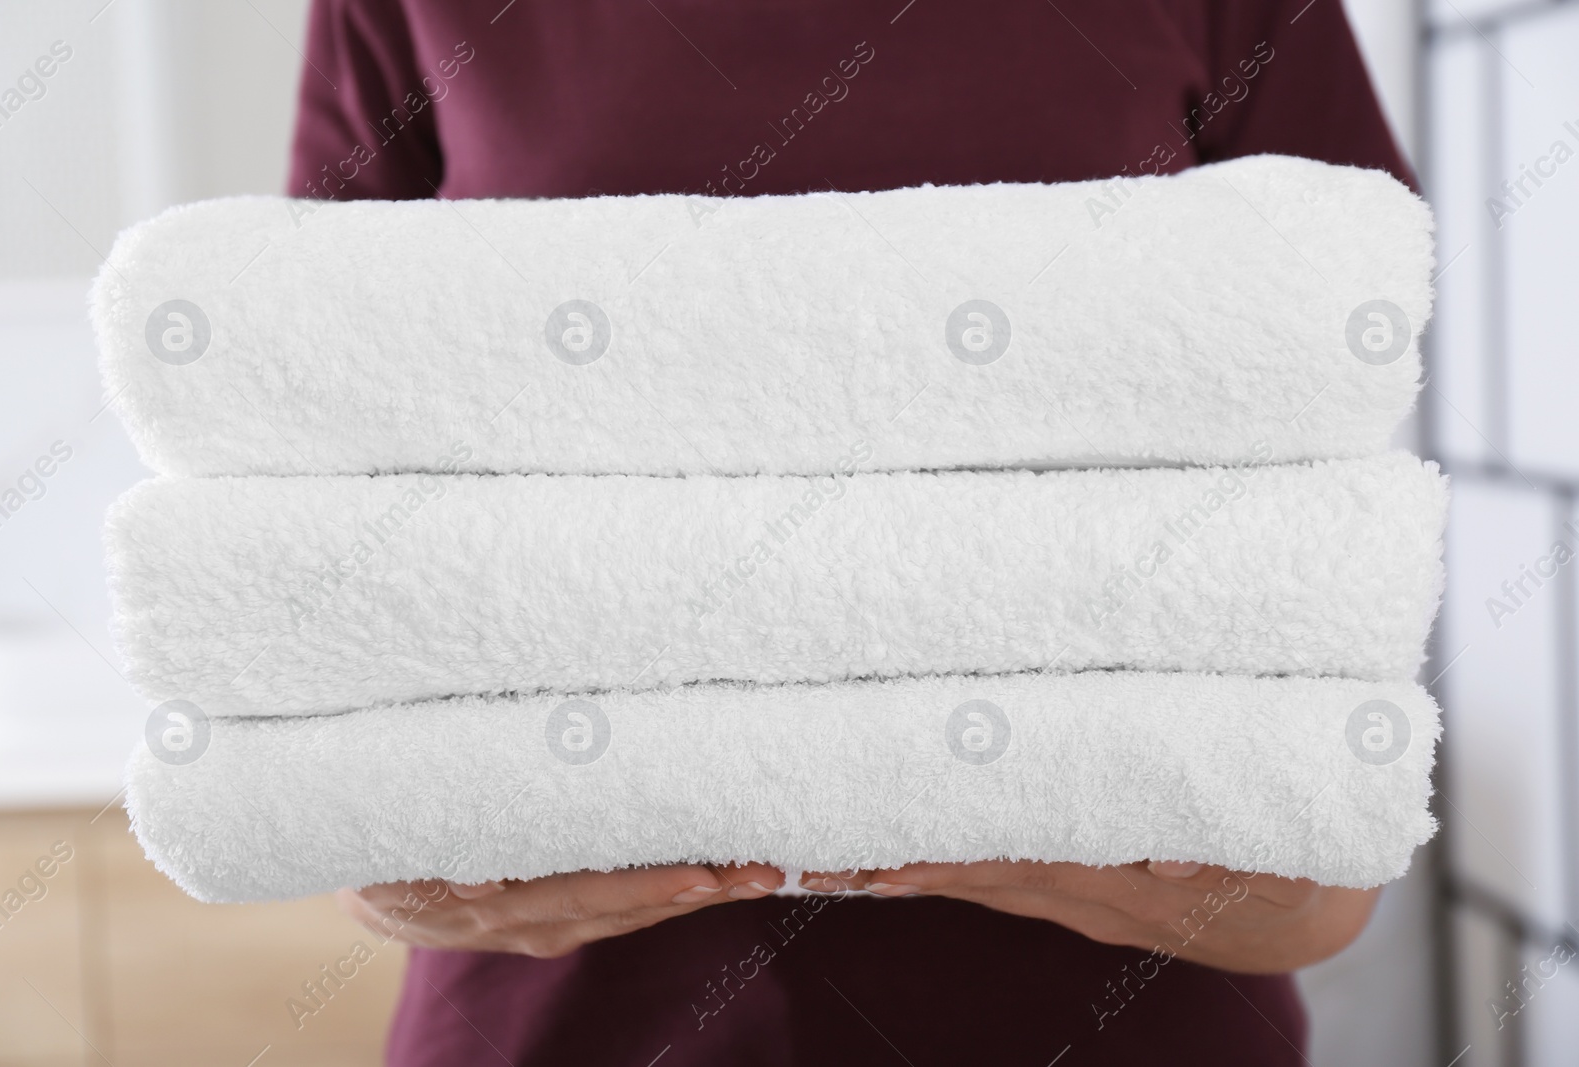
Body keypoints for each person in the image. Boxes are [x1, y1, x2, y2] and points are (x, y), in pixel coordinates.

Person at [288, 2, 1415, 1063]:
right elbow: (329, 430)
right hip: (566, 1026)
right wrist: (369, 840)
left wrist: (1316, 885)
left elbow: (1333, 341)